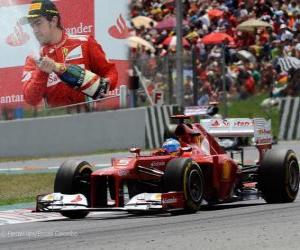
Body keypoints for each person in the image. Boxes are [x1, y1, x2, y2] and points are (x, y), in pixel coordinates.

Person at [21, 0, 118, 107]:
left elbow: (110, 71)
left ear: (53, 20)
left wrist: (107, 84)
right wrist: (42, 72)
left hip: (88, 117)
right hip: (56, 120)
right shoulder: (33, 58)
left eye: (38, 23)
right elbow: (30, 99)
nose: (35, 30)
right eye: (32, 25)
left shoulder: (84, 42)